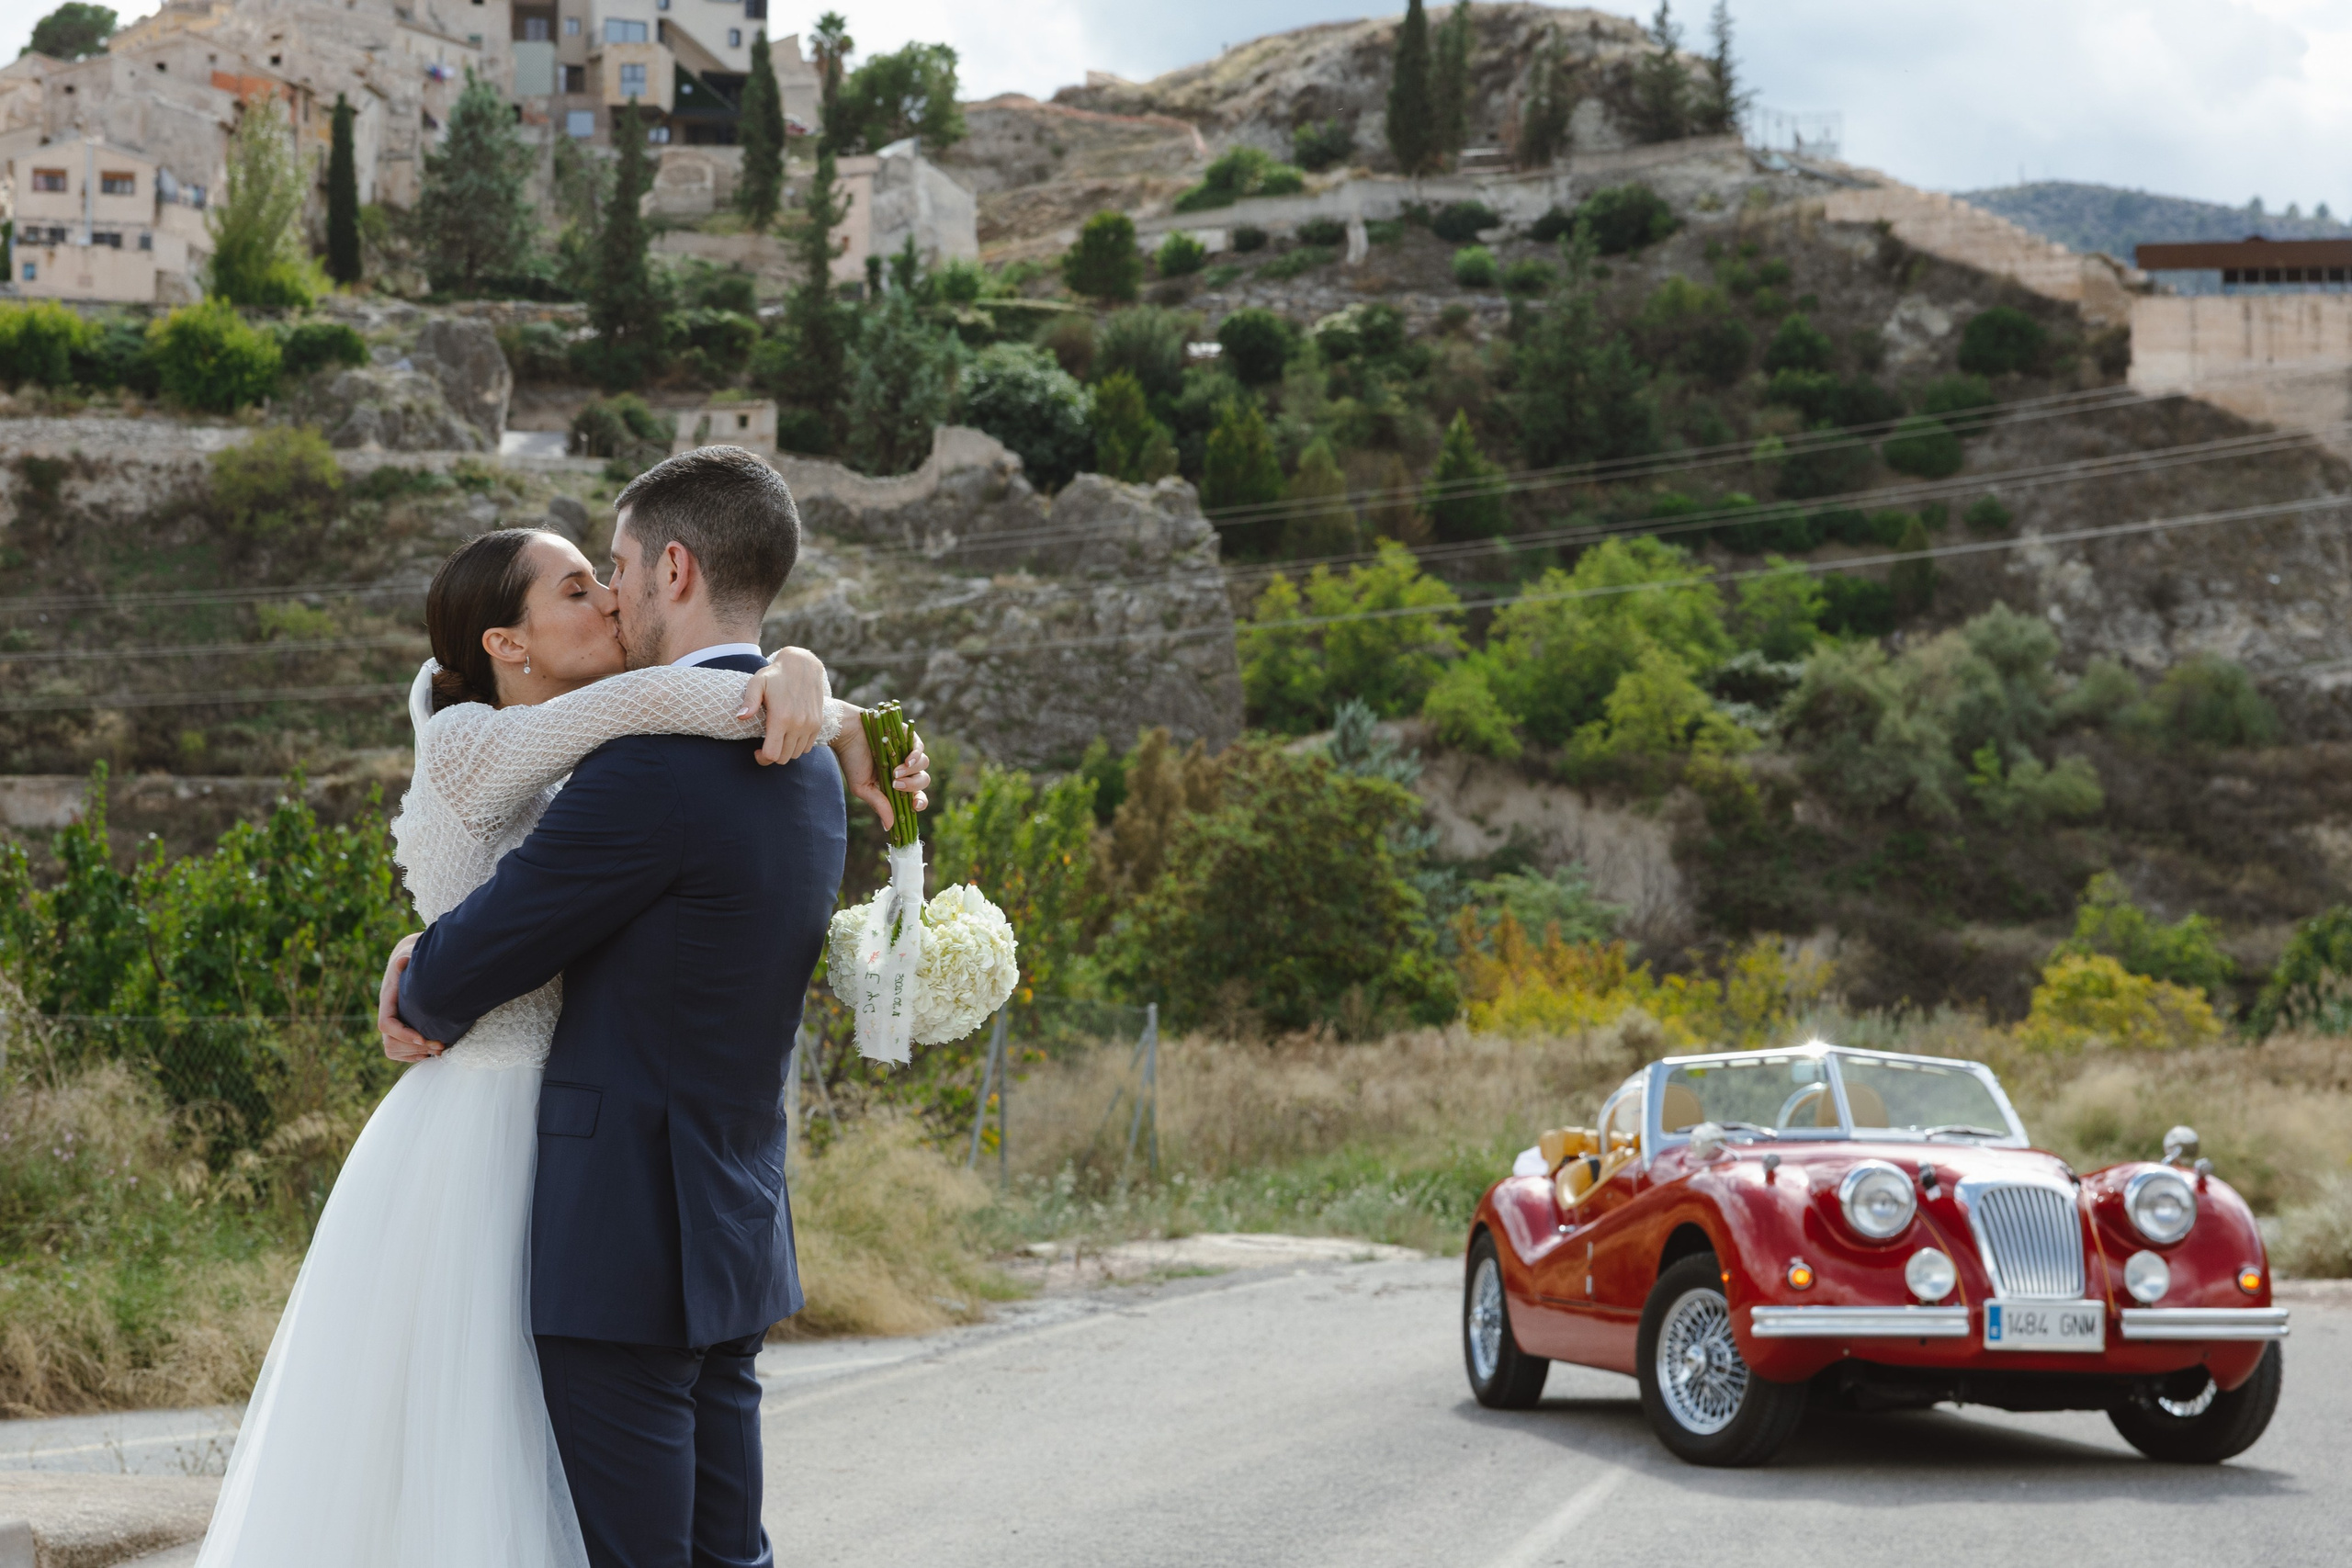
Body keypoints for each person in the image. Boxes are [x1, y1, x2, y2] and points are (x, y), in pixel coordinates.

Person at [196, 447, 924, 1568]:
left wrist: (418, 968)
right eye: (580, 583)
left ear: (673, 568)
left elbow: (463, 970)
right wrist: (816, 689)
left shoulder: (648, 772)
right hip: (728, 1219)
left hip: (616, 1234)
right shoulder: (808, 767)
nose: (611, 593)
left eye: (616, 568)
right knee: (725, 1553)